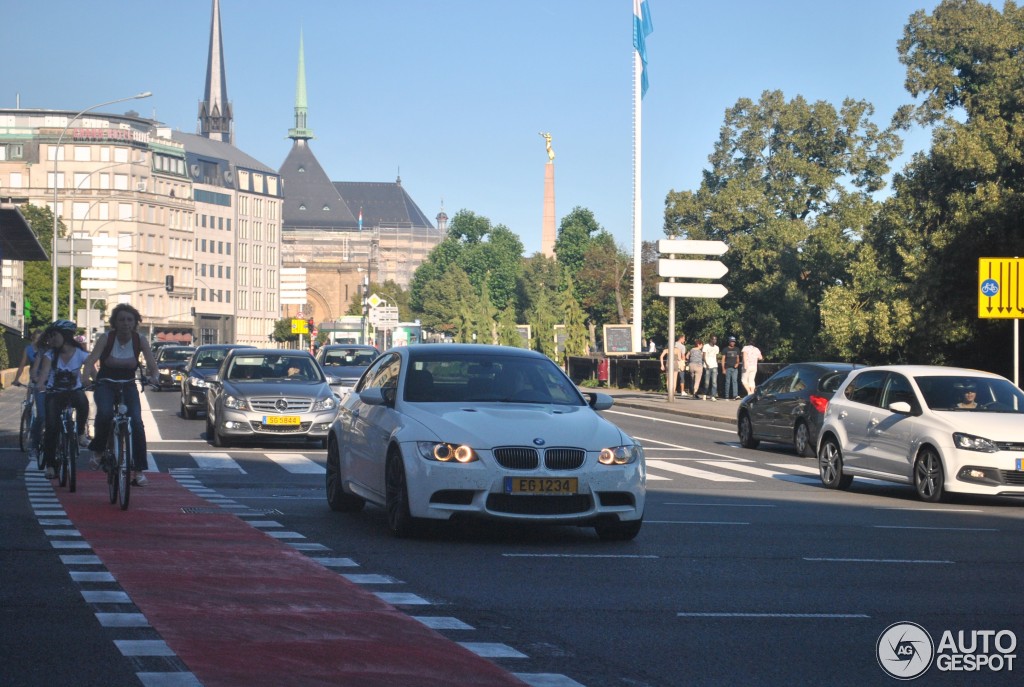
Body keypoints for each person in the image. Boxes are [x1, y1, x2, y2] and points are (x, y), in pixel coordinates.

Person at [83, 303, 157, 486]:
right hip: (106, 383)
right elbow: (91, 360)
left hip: (128, 385)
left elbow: (152, 363)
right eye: (121, 319)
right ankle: (99, 450)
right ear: (115, 322)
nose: (125, 323)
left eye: (129, 320)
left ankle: (138, 471)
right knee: (105, 413)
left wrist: (154, 377)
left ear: (135, 323)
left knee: (137, 423)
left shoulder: (140, 340)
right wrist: (86, 378)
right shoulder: (106, 338)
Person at [35, 321, 91, 480]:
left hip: (74, 392)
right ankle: (51, 465)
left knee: (82, 401)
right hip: (54, 393)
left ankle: (80, 434)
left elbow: (92, 371)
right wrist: (40, 385)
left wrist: (93, 380)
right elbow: (44, 374)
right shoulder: (50, 355)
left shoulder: (81, 354)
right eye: (50, 336)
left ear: (65, 336)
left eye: (54, 336)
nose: (51, 339)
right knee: (52, 427)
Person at [13, 330, 47, 461]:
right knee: (29, 403)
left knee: (41, 409)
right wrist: (16, 379)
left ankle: (40, 429)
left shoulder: (45, 349)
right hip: (33, 380)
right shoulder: (28, 349)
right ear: (33, 339)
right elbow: (22, 365)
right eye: (36, 338)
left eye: (40, 338)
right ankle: (28, 426)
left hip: (43, 380)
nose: (38, 341)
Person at [701, 335, 720, 401]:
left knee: (714, 382)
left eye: (716, 339)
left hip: (714, 365)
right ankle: (705, 394)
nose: (715, 341)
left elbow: (716, 356)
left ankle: (713, 395)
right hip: (707, 366)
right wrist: (706, 364)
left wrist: (717, 364)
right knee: (707, 382)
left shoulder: (717, 347)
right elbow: (704, 356)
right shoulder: (706, 346)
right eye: (714, 339)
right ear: (711, 339)